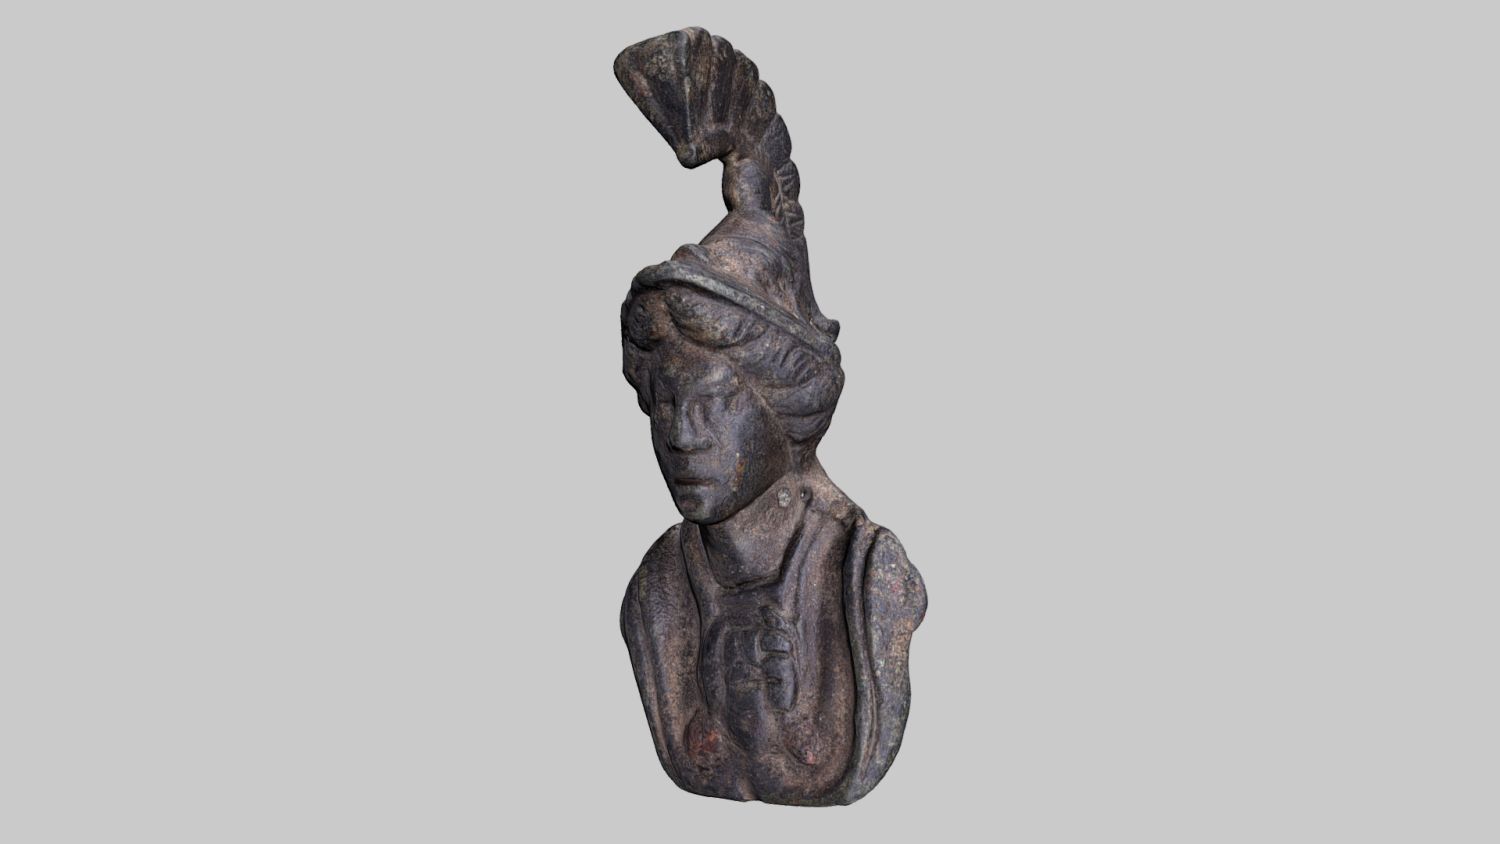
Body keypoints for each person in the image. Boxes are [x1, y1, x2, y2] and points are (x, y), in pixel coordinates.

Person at [614, 28, 926, 805]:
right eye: (665, 406)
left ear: (783, 399)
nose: (682, 436)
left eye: (714, 405)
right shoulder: (658, 592)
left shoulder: (863, 575)